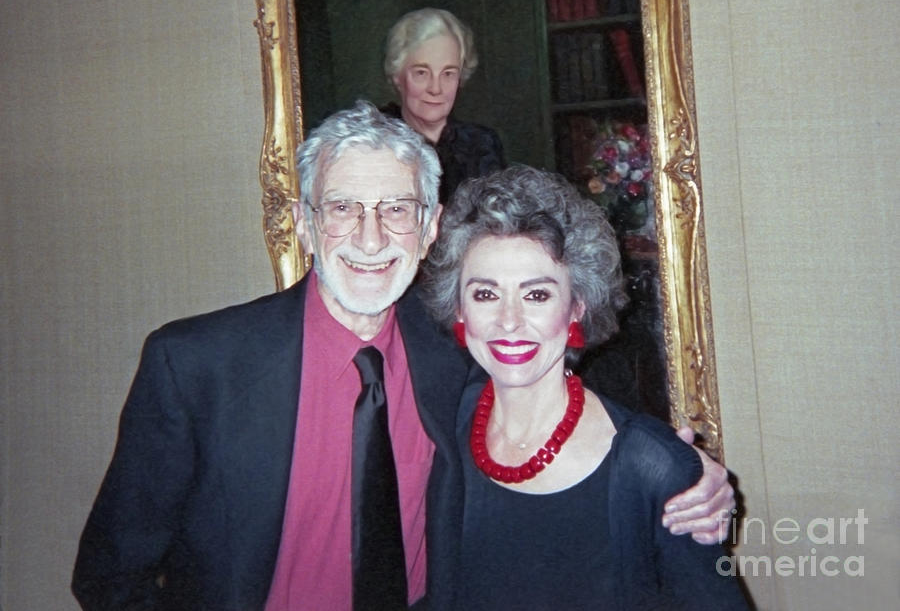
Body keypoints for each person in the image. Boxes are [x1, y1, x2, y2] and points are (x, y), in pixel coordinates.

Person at [72, 102, 733, 611]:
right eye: (342, 208)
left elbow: (543, 376)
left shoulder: (454, 349)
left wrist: (679, 470)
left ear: (430, 227)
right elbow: (111, 575)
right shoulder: (194, 366)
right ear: (304, 223)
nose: (369, 236)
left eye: (396, 209)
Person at [423, 165, 748, 610]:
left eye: (537, 295)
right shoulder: (443, 422)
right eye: (485, 294)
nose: (509, 320)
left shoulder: (648, 464)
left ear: (577, 306)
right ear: (458, 309)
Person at [382, 7, 505, 202]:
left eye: (448, 74)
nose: (436, 88)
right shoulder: (375, 144)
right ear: (398, 76)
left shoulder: (481, 145)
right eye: (422, 72)